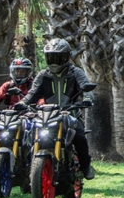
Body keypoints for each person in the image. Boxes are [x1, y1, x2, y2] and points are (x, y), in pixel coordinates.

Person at [16, 38, 96, 180]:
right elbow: (32, 93)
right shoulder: (43, 75)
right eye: (51, 57)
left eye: (57, 57)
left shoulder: (75, 72)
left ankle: (85, 166)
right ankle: (27, 171)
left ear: (66, 57)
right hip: (47, 117)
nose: (54, 61)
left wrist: (88, 99)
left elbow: (86, 87)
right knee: (28, 136)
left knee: (80, 138)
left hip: (70, 115)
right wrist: (23, 102)